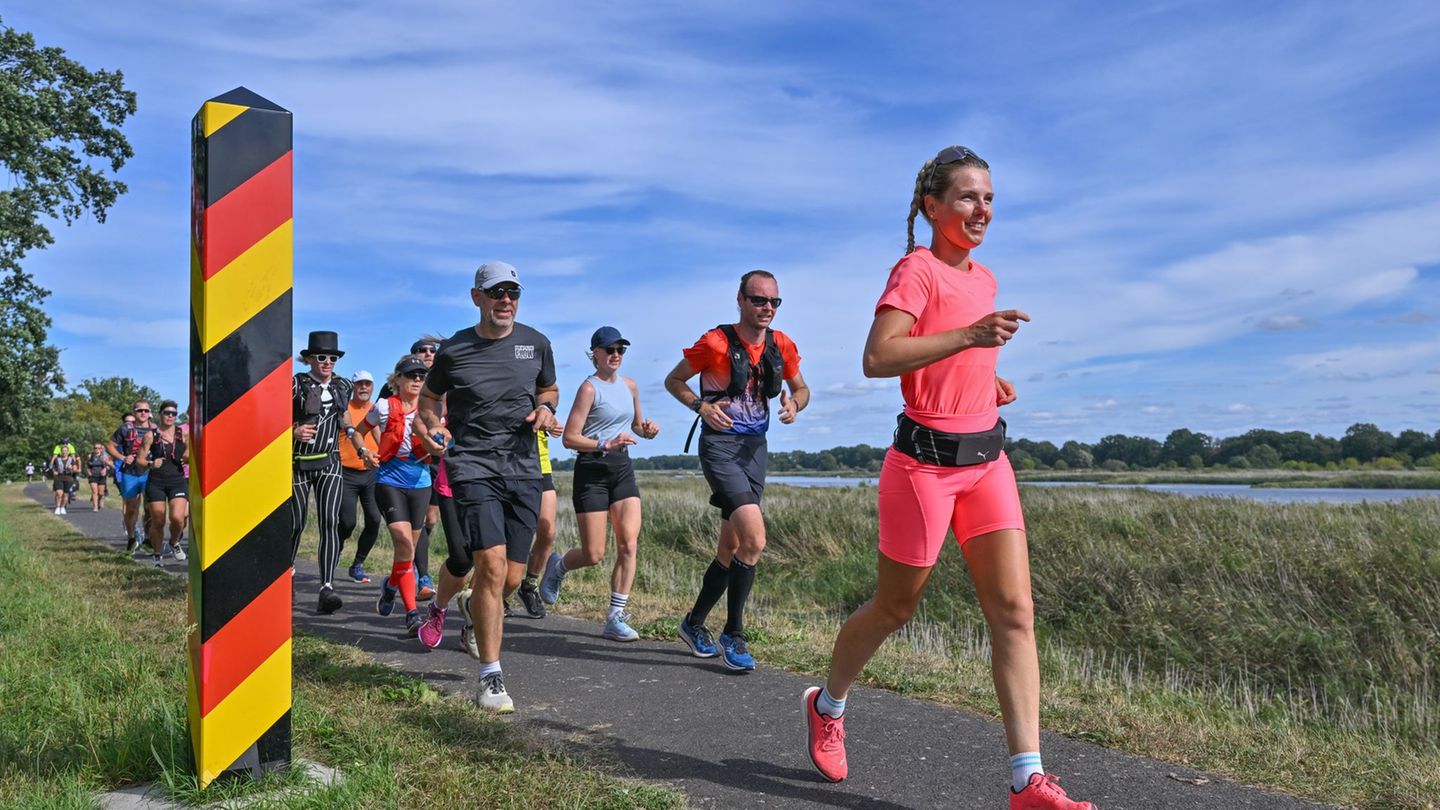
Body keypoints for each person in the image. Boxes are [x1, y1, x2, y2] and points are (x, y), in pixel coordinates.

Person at [800, 146, 1091, 810]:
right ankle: (828, 704)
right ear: (931, 206)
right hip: (923, 466)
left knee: (1015, 613)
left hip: (988, 462)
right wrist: (970, 340)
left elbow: (958, 349)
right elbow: (880, 357)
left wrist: (987, 377)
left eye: (989, 197)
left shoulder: (983, 278)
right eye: (967, 196)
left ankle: (1027, 780)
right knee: (896, 608)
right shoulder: (917, 271)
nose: (981, 208)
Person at [418, 260, 558, 714]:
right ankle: (491, 677)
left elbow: (549, 390)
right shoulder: (454, 350)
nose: (506, 300)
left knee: (511, 578)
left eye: (513, 293)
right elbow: (428, 399)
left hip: (523, 467)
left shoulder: (537, 343)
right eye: (496, 292)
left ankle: (474, 608)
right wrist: (431, 425)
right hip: (473, 464)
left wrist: (544, 409)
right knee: (492, 566)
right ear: (476, 296)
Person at [664, 269, 809, 672]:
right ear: (741, 299)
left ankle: (693, 624)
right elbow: (673, 380)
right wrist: (701, 407)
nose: (767, 308)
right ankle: (734, 633)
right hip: (720, 448)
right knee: (755, 540)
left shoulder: (781, 344)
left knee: (730, 547)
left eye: (774, 302)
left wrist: (795, 404)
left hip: (755, 450)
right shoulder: (715, 343)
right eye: (759, 300)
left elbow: (802, 388)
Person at [540, 326, 659, 641]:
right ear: (595, 354)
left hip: (622, 469)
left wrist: (647, 429)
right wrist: (605, 443)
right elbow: (569, 438)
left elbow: (634, 425)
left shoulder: (630, 386)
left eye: (621, 349)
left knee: (629, 544)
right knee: (594, 554)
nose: (616, 355)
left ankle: (615, 617)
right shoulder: (589, 389)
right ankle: (559, 566)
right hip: (592, 470)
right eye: (610, 350)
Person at [291, 330, 376, 615]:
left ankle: (326, 588)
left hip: (330, 462)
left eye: (332, 358)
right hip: (298, 463)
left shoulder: (341, 386)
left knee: (330, 522)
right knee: (296, 523)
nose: (327, 362)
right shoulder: (296, 384)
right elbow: (273, 417)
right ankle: (286, 577)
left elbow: (347, 422)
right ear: (309, 360)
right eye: (321, 357)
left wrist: (361, 447)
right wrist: (294, 430)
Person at [364, 356, 446, 636]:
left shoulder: (432, 412)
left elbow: (443, 442)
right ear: (397, 379)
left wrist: (439, 444)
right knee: (404, 544)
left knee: (406, 551)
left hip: (420, 482)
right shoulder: (384, 406)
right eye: (411, 375)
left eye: (422, 375)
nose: (417, 380)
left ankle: (390, 586)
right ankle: (412, 613)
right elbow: (360, 429)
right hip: (389, 480)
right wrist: (367, 451)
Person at [511, 427, 561, 619]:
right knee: (510, 536)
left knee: (547, 532)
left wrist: (549, 419)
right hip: (512, 465)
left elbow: (548, 405)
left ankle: (529, 586)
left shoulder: (543, 397)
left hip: (541, 465)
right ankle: (499, 593)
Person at [339, 370, 383, 584]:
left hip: (371, 473)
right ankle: (332, 552)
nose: (364, 388)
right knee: (347, 523)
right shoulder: (344, 409)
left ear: (373, 387)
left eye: (368, 384)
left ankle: (358, 564)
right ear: (353, 387)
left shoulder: (377, 410)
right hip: (346, 472)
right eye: (359, 384)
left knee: (374, 519)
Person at [137, 400, 190, 565]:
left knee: (177, 518)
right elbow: (140, 460)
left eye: (173, 414)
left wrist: (187, 457)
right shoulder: (150, 435)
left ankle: (174, 543)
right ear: (160, 414)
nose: (170, 416)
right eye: (167, 413)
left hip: (177, 481)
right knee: (158, 520)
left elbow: (190, 450)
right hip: (156, 481)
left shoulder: (183, 433)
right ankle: (157, 553)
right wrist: (151, 463)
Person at [107, 402, 155, 552]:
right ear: (134, 413)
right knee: (132, 508)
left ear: (150, 413)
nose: (143, 413)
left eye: (146, 410)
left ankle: (148, 539)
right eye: (139, 410)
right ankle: (131, 538)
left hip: (149, 473)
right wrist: (122, 457)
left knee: (150, 508)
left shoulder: (155, 429)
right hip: (130, 473)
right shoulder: (126, 428)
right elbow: (110, 445)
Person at [86, 443, 111, 512]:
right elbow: (87, 465)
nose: (97, 449)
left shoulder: (104, 457)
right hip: (93, 475)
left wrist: (105, 469)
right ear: (93, 449)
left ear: (101, 449)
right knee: (94, 492)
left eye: (98, 448)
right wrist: (88, 471)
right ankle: (95, 507)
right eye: (95, 448)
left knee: (101, 493)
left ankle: (98, 501)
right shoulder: (90, 456)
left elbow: (109, 466)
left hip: (101, 476)